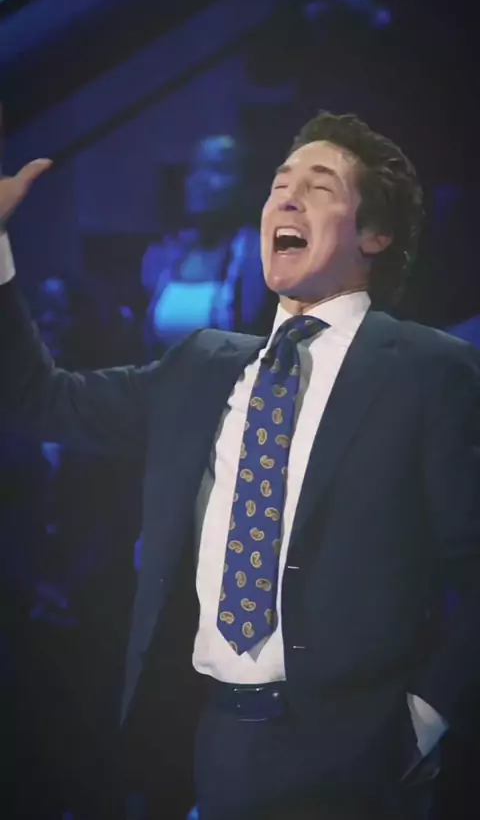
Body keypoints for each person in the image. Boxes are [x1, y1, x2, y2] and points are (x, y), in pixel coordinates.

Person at [1, 111, 480, 820]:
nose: (287, 199)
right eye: (279, 186)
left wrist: (423, 721)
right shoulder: (202, 367)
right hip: (218, 742)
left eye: (319, 187)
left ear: (374, 235)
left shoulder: (428, 370)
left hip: (365, 753)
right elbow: (39, 398)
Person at [141, 134, 265, 357]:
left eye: (218, 169)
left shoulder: (261, 257)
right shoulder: (164, 255)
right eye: (195, 170)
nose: (201, 180)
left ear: (245, 184)